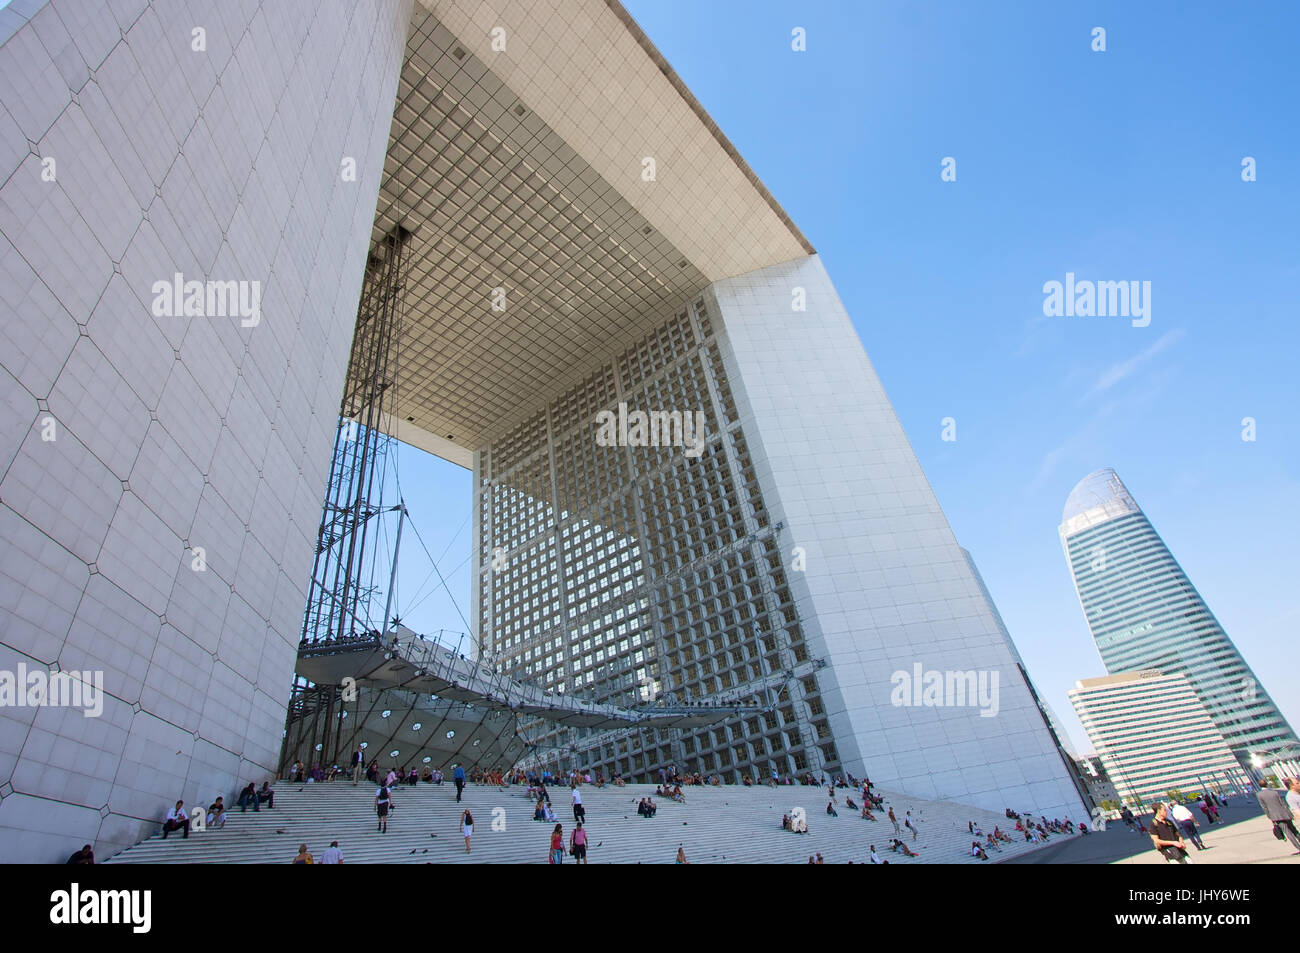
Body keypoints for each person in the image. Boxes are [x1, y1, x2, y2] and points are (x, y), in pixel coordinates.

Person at [1256, 778, 1300, 852]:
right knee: (1294, 830)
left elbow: (1264, 807)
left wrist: (1269, 816)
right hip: (1285, 814)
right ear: (1266, 784)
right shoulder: (1274, 792)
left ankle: (1298, 847)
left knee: (1287, 832)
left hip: (1275, 816)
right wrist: (1289, 814)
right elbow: (1283, 804)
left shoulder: (1259, 795)